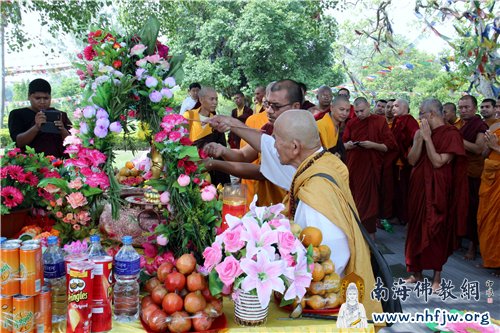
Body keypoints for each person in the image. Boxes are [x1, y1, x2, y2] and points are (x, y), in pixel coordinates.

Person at [210, 109, 383, 319]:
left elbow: (333, 254)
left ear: (294, 147)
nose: (272, 146)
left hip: (325, 304)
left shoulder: (316, 189)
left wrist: (310, 291)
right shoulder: (320, 162)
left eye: (276, 140)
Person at [405, 98, 468, 291]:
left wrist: (427, 139)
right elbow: (412, 160)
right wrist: (418, 140)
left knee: (436, 228)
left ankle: (437, 278)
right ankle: (415, 272)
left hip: (438, 188)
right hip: (419, 187)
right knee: (416, 226)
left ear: (431, 114)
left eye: (421, 114)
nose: (419, 118)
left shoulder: (451, 134)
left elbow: (439, 161)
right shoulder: (422, 133)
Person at [342, 97, 397, 239]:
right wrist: (349, 145)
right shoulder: (351, 123)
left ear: (368, 107)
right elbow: (344, 144)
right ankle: (354, 234)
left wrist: (372, 145)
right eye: (357, 111)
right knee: (354, 201)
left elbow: (389, 146)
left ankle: (370, 237)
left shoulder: (379, 121)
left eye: (362, 110)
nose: (359, 114)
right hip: (354, 168)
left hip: (371, 169)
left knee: (369, 203)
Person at [457, 95, 488, 260]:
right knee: (462, 209)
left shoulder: (480, 125)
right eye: (460, 107)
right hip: (462, 173)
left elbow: (478, 148)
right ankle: (460, 240)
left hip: (475, 174)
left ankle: (472, 246)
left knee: (473, 210)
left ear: (475, 108)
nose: (463, 110)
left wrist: (458, 140)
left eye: (466, 107)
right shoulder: (463, 125)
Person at [8, 78, 71, 158]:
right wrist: (36, 127)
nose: (42, 102)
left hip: (60, 164)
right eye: (37, 98)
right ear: (29, 97)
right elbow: (18, 143)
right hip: (32, 165)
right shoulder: (17, 114)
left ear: (50, 97)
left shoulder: (61, 115)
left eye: (46, 98)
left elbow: (72, 143)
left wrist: (62, 130)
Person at [182, 87, 230, 187]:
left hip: (209, 167)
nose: (215, 102)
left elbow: (221, 148)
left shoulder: (216, 121)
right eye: (211, 99)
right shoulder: (189, 115)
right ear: (201, 100)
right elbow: (182, 141)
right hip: (191, 165)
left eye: (216, 99)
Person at [390, 98, 420, 225]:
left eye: (396, 106)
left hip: (405, 162)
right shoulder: (396, 120)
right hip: (395, 161)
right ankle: (398, 216)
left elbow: (414, 139)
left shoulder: (410, 120)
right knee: (396, 191)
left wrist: (408, 156)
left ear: (405, 108)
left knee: (406, 191)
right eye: (392, 106)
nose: (393, 108)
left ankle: (408, 219)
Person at [477, 123, 500, 277]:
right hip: (491, 179)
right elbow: (484, 154)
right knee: (487, 220)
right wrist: (488, 146)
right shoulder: (495, 127)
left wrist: (496, 147)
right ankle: (492, 260)